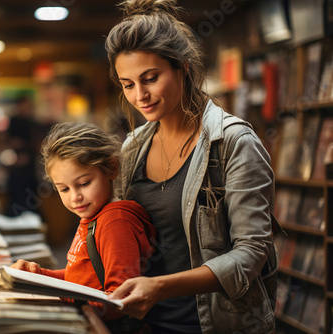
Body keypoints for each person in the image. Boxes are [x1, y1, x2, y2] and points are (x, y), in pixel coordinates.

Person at [105, 1, 277, 333]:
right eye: (128, 85)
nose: (140, 95)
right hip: (146, 324)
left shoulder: (232, 143)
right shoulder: (132, 148)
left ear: (182, 67)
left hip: (216, 323)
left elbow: (252, 253)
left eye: (150, 78)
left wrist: (161, 287)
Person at [10, 122, 156, 330]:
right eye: (64, 189)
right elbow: (82, 277)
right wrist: (38, 276)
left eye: (84, 183)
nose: (75, 197)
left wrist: (62, 297)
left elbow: (120, 300)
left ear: (112, 169)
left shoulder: (116, 223)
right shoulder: (94, 217)